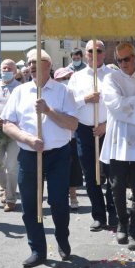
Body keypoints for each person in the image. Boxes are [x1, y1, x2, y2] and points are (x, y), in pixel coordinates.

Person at [0, 49, 78, 268]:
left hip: (58, 154)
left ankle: (62, 239)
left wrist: (48, 111)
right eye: (29, 62)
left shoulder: (63, 91)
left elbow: (72, 124)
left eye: (37, 62)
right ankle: (37, 249)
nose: (32, 65)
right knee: (31, 204)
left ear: (48, 65)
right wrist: (27, 138)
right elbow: (7, 123)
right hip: (29, 154)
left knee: (58, 201)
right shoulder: (20, 91)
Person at [101, 42, 135, 250]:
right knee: (117, 184)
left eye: (127, 59)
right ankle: (122, 221)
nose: (123, 63)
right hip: (119, 138)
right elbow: (115, 104)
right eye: (119, 60)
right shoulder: (111, 77)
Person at [68, 40, 117, 231]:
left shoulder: (113, 75)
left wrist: (106, 125)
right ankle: (98, 214)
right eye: (90, 51)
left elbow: (118, 105)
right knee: (90, 175)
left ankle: (114, 212)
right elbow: (70, 103)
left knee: (113, 174)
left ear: (104, 53)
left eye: (99, 50)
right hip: (84, 130)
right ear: (85, 54)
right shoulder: (76, 77)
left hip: (108, 129)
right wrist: (85, 99)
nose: (94, 54)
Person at [0, 59, 21, 212]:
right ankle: (5, 187)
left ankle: (11, 198)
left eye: (9, 68)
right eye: (4, 68)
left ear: (15, 71)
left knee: (12, 166)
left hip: (14, 131)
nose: (6, 70)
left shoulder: (21, 88)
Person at [54, 67, 83, 211]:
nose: (66, 81)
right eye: (63, 78)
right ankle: (60, 196)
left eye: (68, 77)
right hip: (57, 138)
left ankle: (73, 196)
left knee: (73, 169)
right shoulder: (53, 94)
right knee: (58, 171)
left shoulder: (71, 92)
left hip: (71, 136)